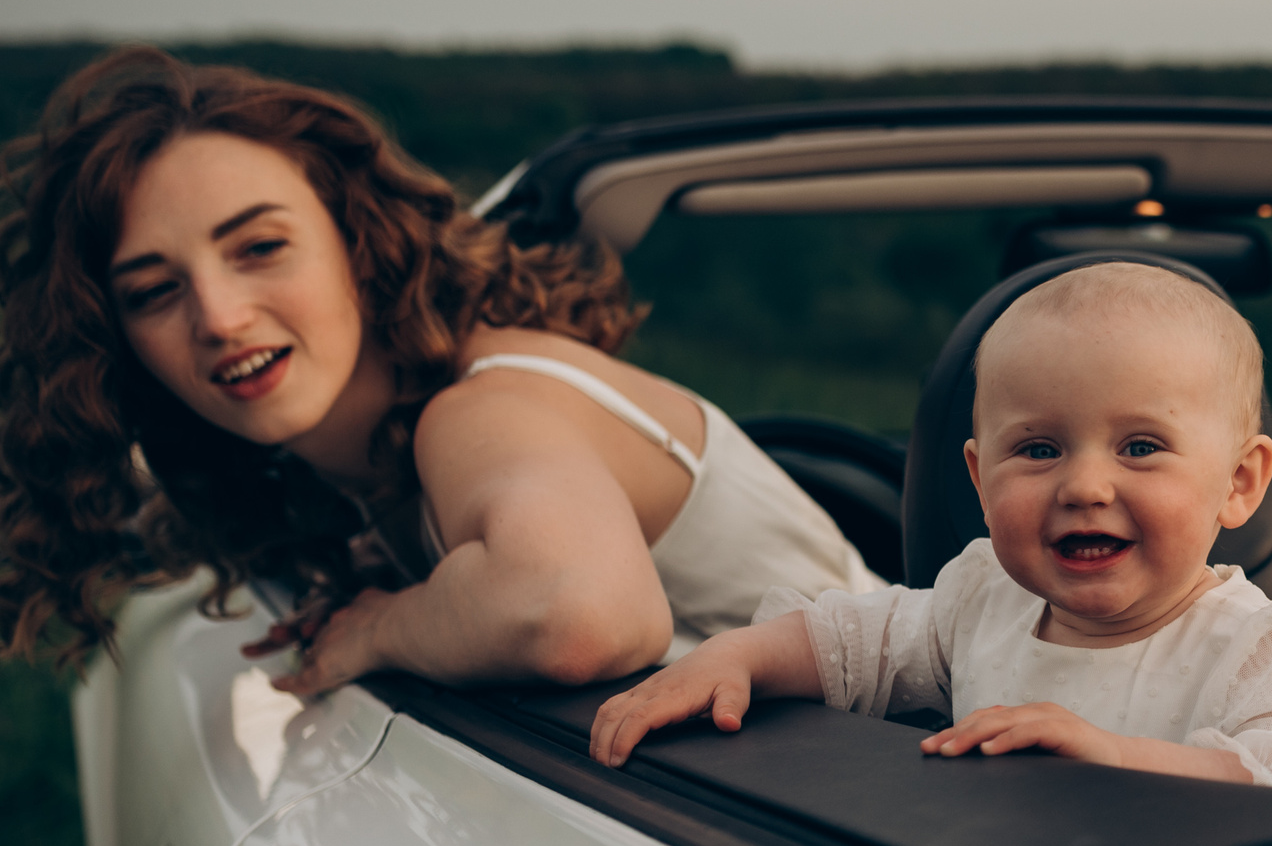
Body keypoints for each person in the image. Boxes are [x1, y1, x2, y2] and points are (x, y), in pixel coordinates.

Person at [0, 48, 880, 690]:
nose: (219, 318)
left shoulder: (480, 407)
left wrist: (388, 625)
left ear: (357, 241)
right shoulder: (357, 468)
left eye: (261, 247)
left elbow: (584, 614)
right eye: (155, 292)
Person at [590, 261, 1272, 793]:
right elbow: (852, 643)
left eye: (1140, 447)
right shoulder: (980, 601)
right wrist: (734, 658)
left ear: (1238, 483)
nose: (1085, 484)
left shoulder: (1253, 644)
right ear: (978, 476)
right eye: (1039, 449)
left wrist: (1117, 761)